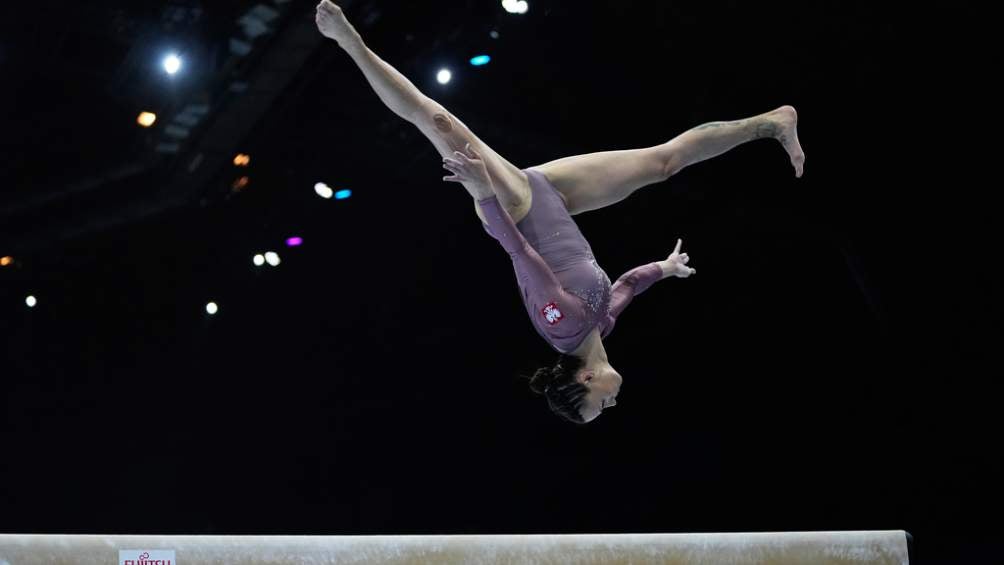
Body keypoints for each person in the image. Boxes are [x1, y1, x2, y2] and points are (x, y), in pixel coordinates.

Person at [315, 1, 804, 423]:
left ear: (586, 378)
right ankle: (770, 124)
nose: (612, 404)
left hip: (513, 209)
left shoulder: (561, 325)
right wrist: (666, 268)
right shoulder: (598, 326)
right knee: (663, 164)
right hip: (556, 198)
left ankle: (349, 41)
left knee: (436, 120)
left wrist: (483, 189)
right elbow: (629, 284)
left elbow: (520, 252)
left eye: (599, 404)